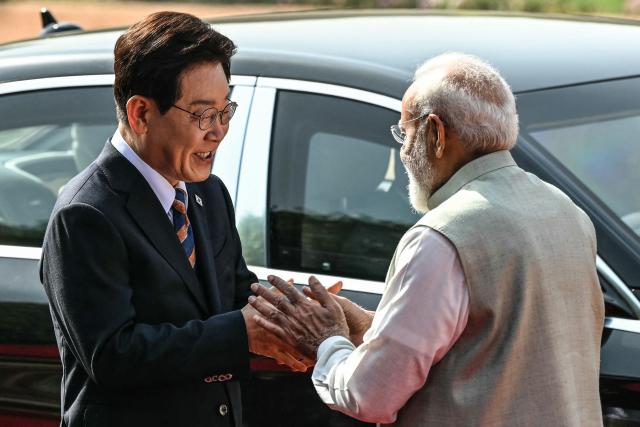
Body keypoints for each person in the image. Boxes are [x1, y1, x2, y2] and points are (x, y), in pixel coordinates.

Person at [248, 53, 605, 426]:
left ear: (435, 133)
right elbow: (492, 346)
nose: (403, 151)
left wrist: (325, 339)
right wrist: (371, 327)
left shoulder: (442, 238)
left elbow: (370, 395)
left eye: (405, 133)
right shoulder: (565, 212)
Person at [39, 11, 309, 427]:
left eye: (225, 111)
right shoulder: (86, 214)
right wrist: (242, 333)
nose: (218, 132)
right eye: (203, 115)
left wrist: (300, 313)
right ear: (141, 114)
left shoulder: (208, 193)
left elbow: (235, 295)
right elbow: (113, 356)